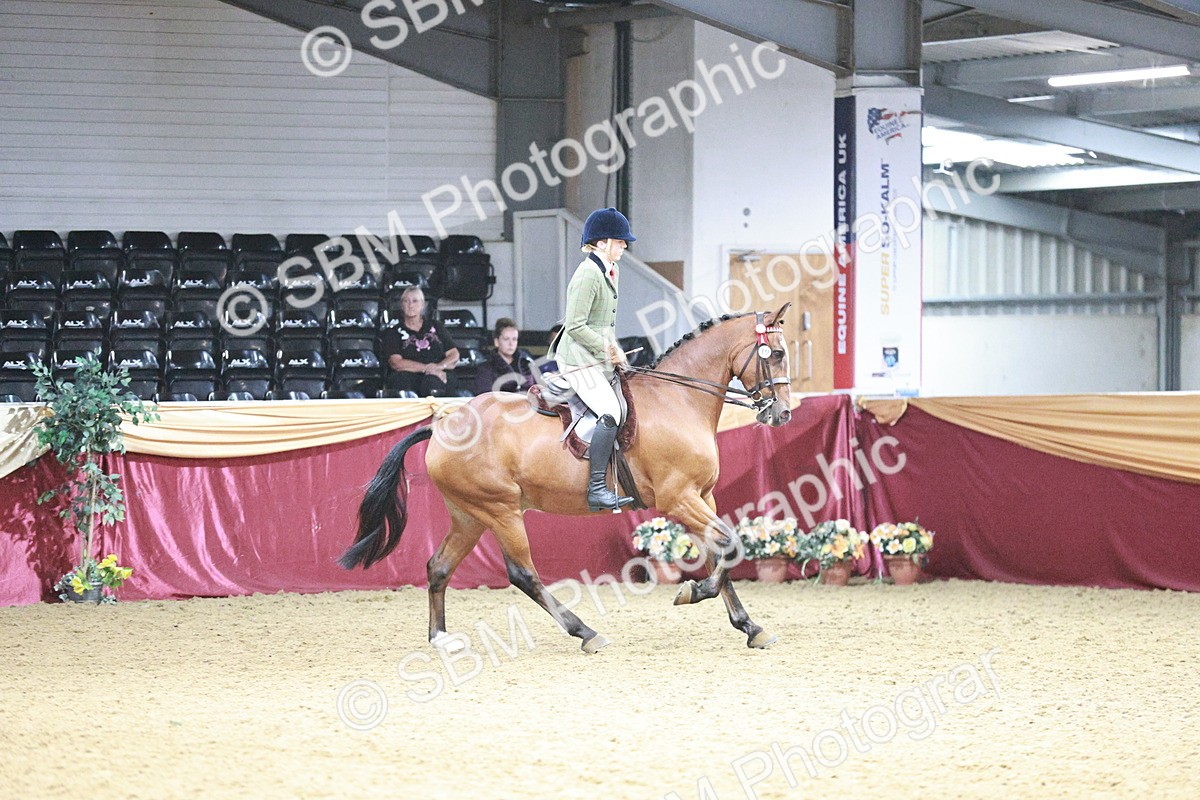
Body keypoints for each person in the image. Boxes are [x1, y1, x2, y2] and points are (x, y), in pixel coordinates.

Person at [547, 207, 636, 512]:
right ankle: (596, 487)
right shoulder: (587, 274)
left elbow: (604, 324)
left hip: (597, 358)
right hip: (576, 359)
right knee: (610, 411)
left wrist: (615, 351)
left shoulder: (611, 269)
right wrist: (606, 348)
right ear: (600, 243)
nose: (624, 246)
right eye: (619, 241)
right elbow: (575, 325)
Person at [378, 286, 461, 397]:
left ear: (422, 305)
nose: (410, 305)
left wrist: (439, 366)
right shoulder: (393, 332)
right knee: (400, 380)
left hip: (438, 373)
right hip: (410, 376)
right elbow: (396, 363)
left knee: (432, 382)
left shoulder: (436, 326)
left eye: (415, 301)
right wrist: (427, 368)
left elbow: (454, 354)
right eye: (406, 301)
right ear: (402, 305)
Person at [473, 317, 534, 395]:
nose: (511, 344)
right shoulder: (486, 368)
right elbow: (485, 397)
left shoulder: (526, 364)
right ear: (496, 342)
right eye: (506, 339)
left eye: (514, 339)